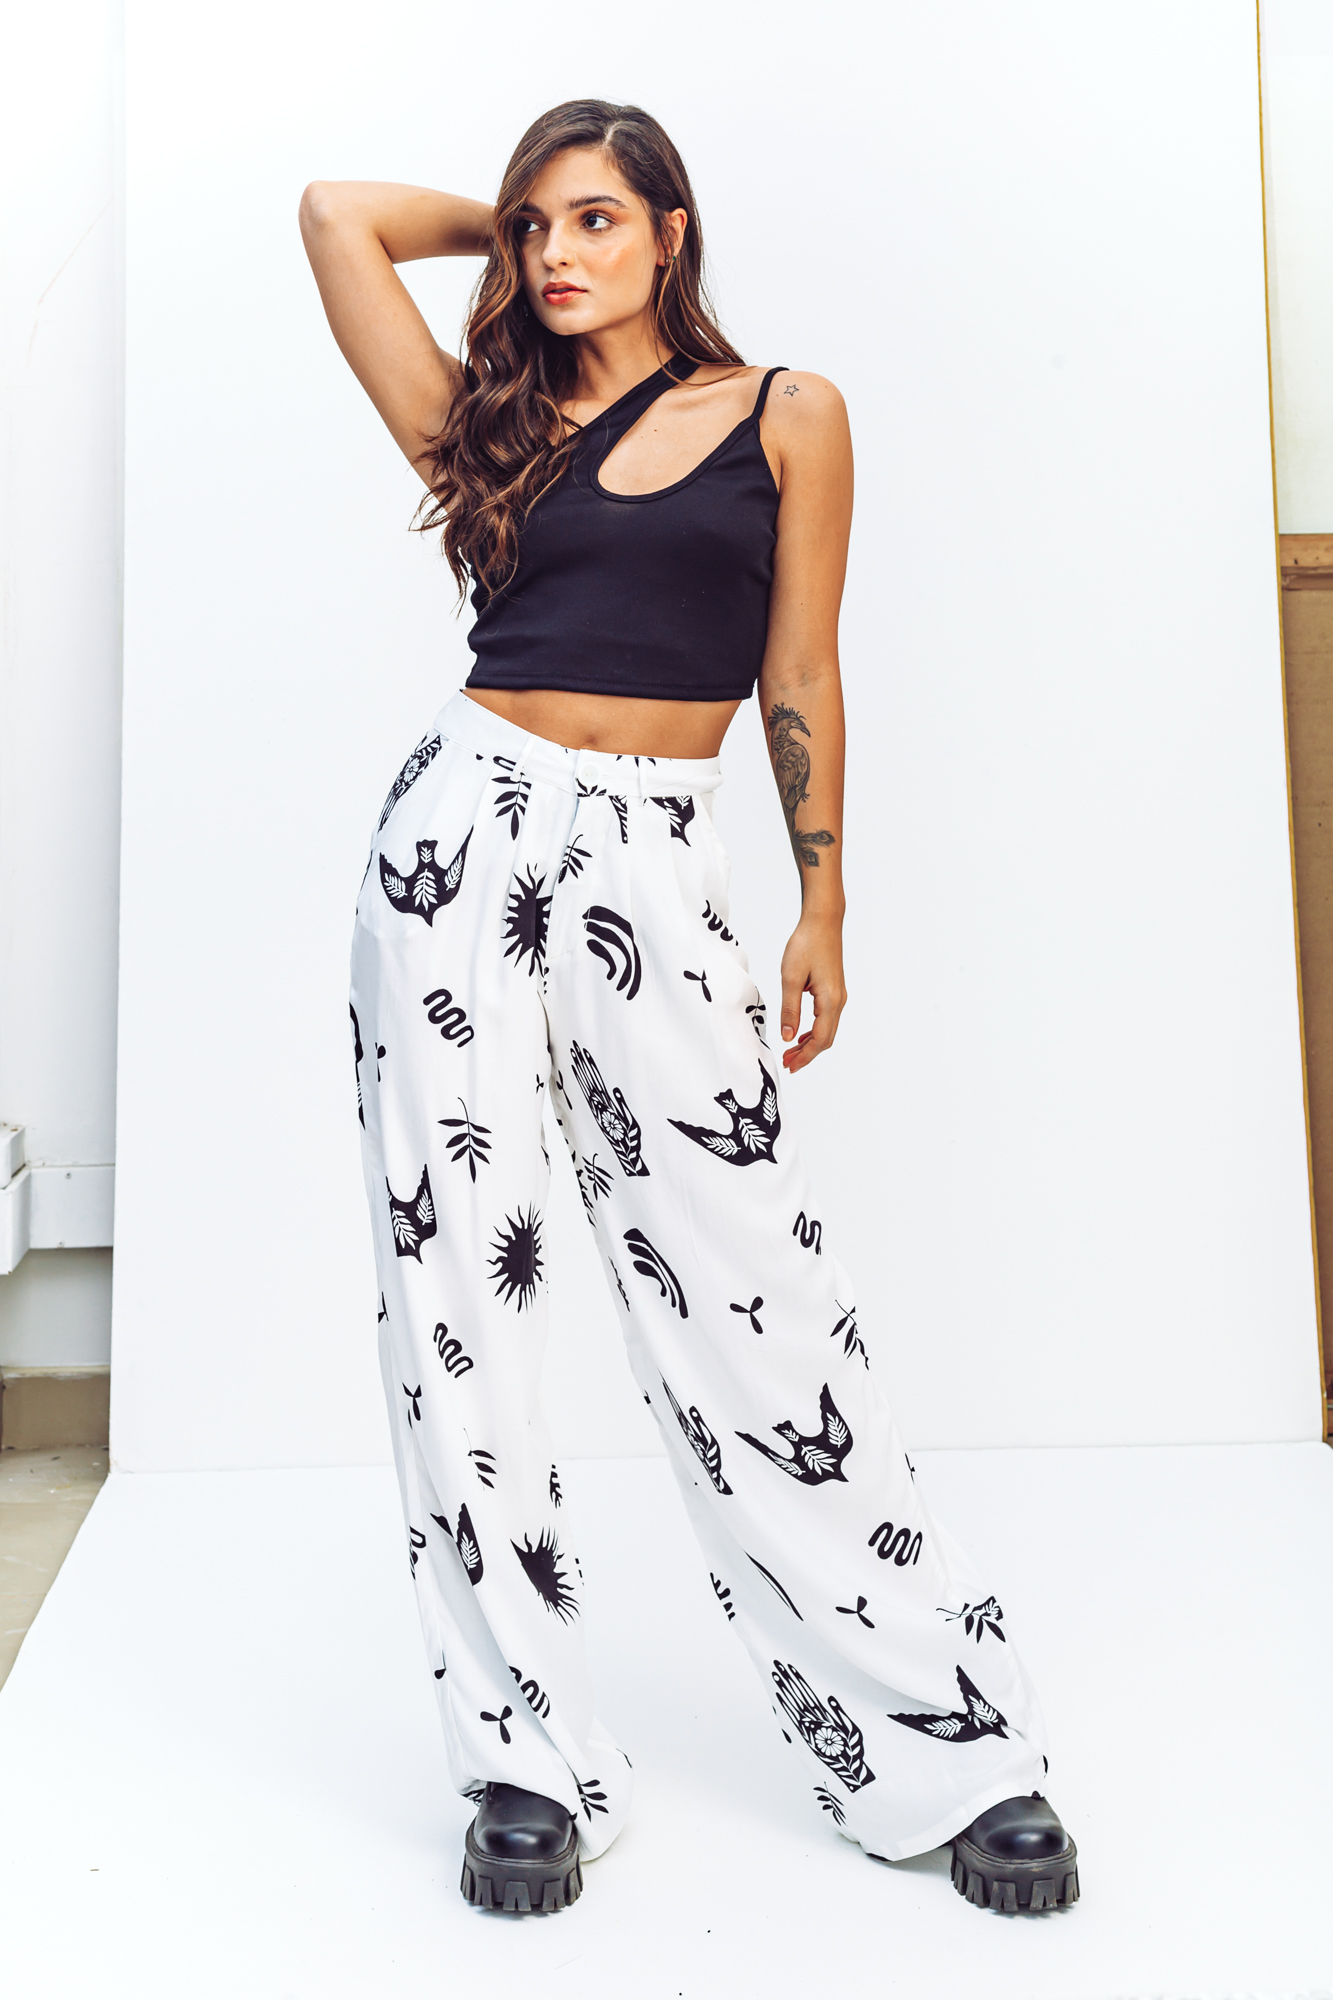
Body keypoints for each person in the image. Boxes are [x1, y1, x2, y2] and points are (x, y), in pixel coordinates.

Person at [300, 98, 1078, 1919]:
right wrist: (500, 233)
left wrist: (823, 895)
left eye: (596, 219)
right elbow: (335, 214)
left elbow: (799, 663)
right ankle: (523, 1761)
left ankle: (942, 1741)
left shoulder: (788, 413)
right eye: (534, 228)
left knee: (752, 1293)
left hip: (657, 859)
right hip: (462, 841)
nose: (556, 254)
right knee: (455, 1297)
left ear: (671, 229)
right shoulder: (491, 427)